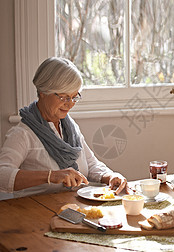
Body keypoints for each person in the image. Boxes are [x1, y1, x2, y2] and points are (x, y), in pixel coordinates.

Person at [0, 57, 127, 199]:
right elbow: (3, 175)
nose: (70, 104)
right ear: (43, 91)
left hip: (70, 206)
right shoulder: (23, 134)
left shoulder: (70, 127)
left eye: (74, 96)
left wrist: (110, 176)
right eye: (64, 97)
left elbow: (90, 164)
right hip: (33, 211)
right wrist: (51, 176)